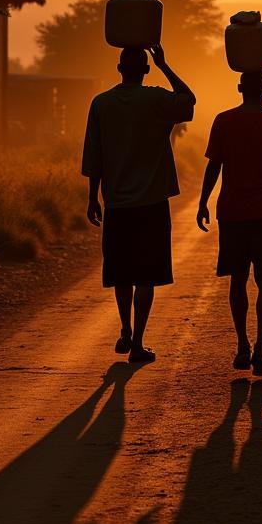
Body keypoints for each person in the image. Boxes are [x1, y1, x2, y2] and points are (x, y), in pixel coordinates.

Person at [83, 44, 195, 364]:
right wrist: (165, 64)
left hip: (117, 203)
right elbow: (188, 102)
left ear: (119, 69)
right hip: (151, 203)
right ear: (145, 70)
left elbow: (95, 154)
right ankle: (138, 343)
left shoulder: (101, 103)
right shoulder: (157, 100)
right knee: (146, 274)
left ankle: (124, 329)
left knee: (122, 272)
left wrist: (93, 197)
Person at [197, 71, 262, 376]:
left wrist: (203, 201)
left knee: (238, 279)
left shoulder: (223, 121)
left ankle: (242, 345)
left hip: (232, 212)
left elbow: (213, 165)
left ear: (240, 88)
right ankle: (260, 348)